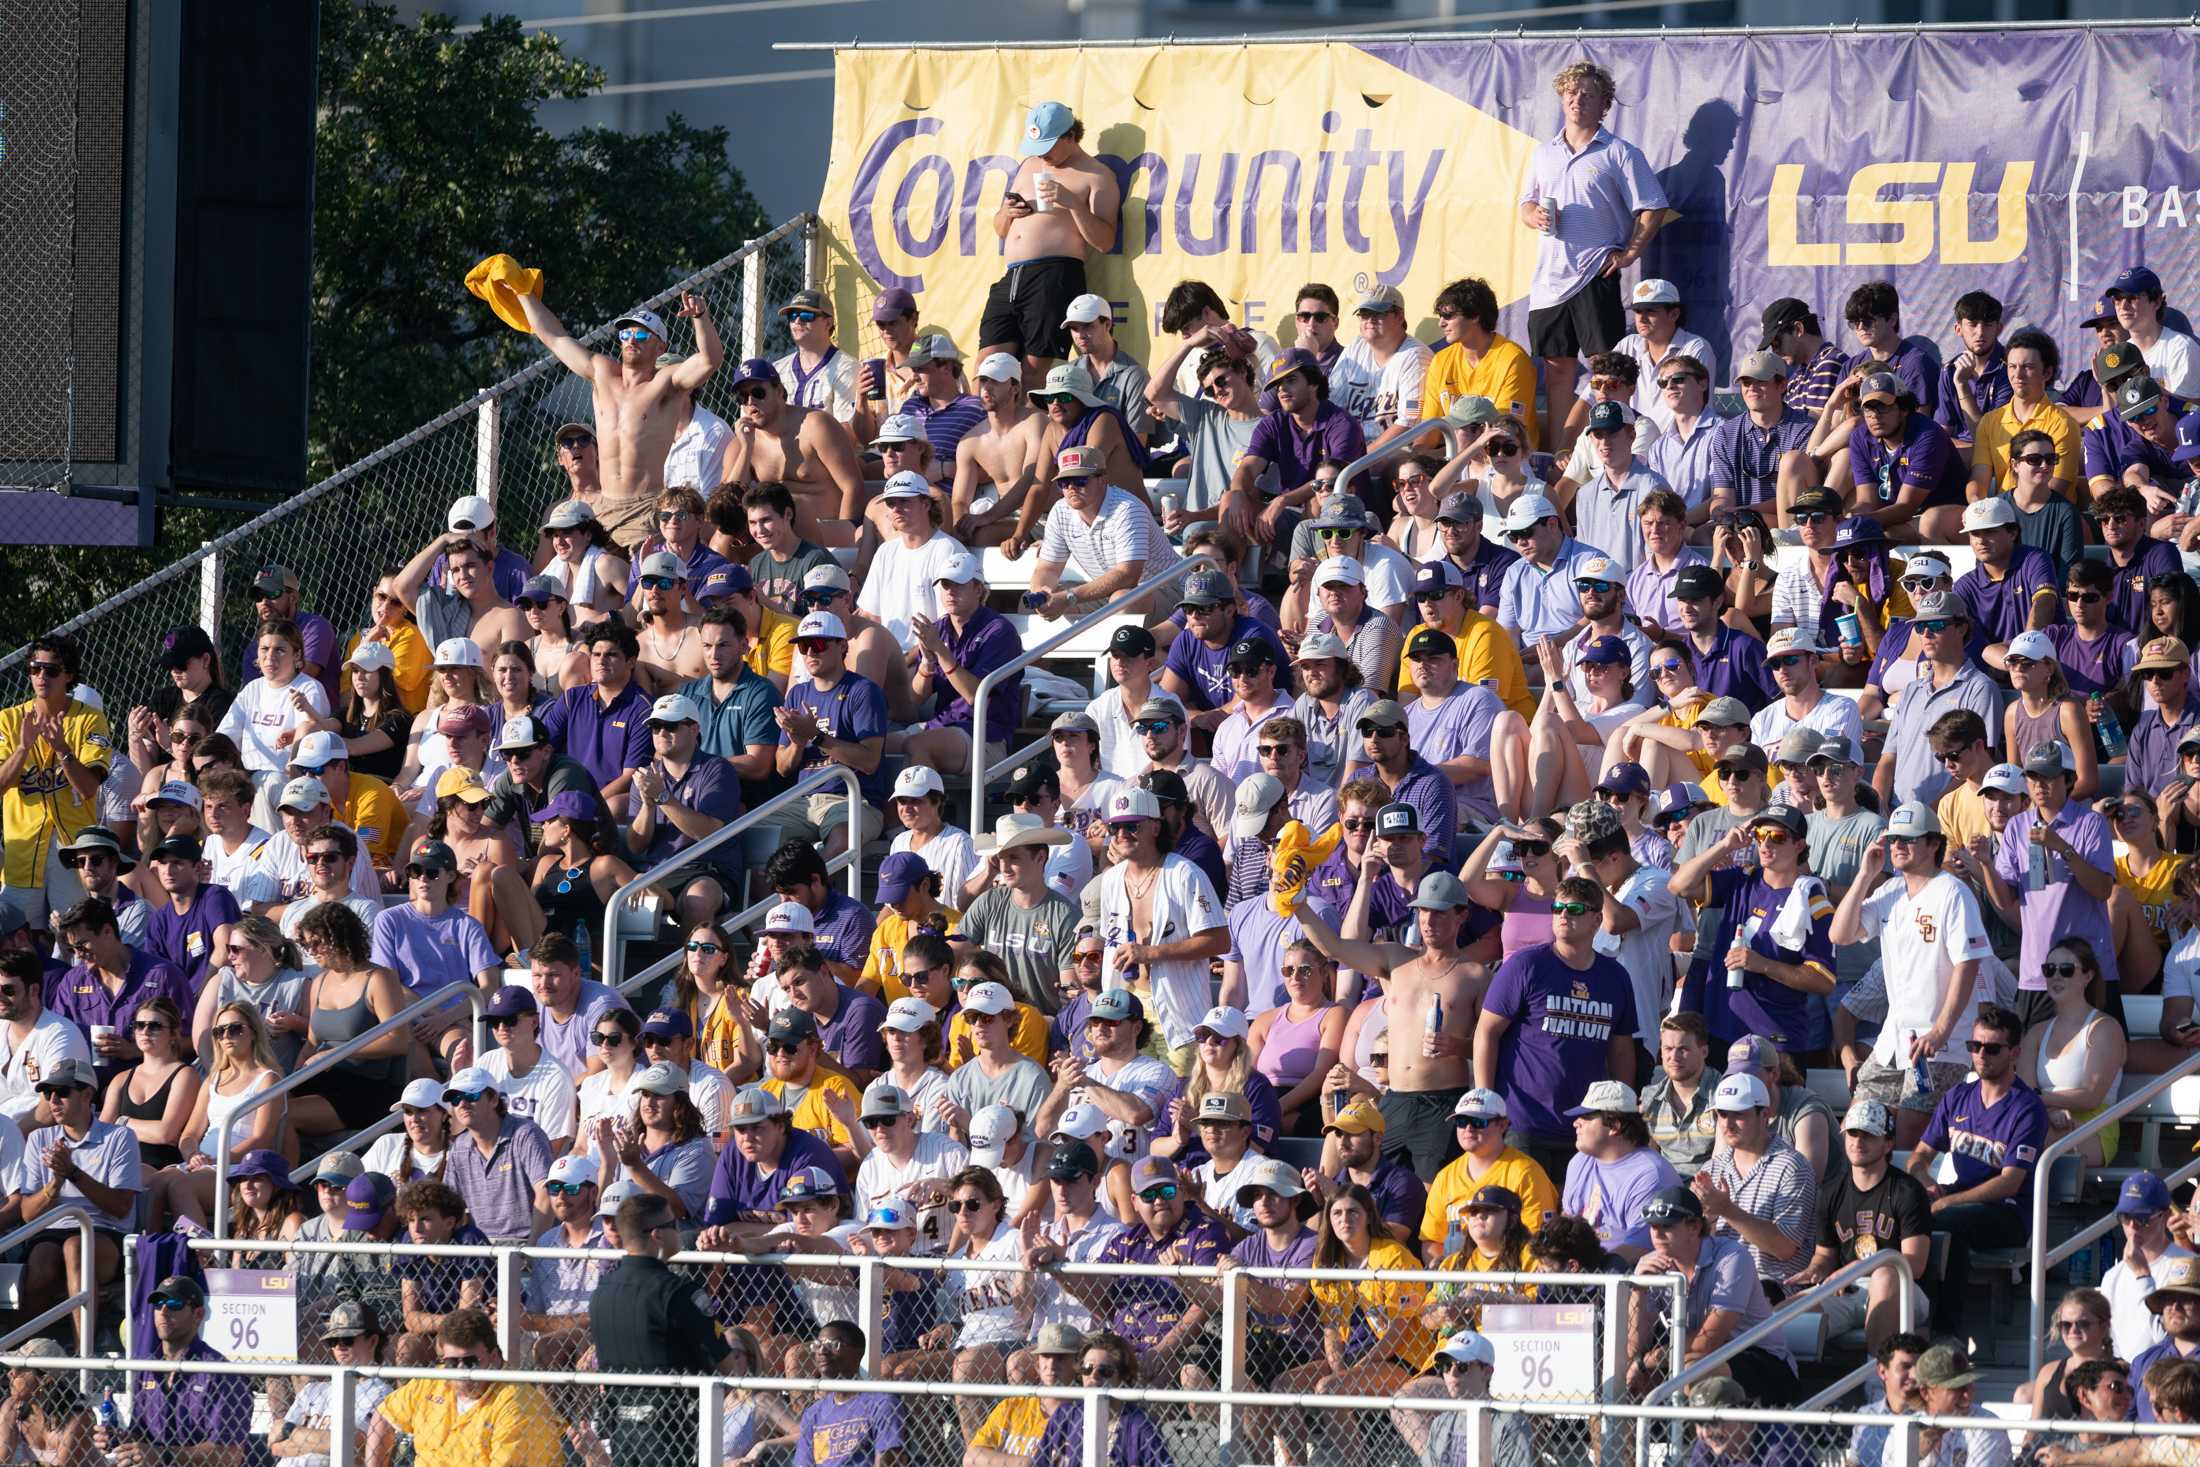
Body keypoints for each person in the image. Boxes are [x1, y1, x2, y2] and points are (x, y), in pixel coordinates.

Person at [1519, 60, 1667, 433]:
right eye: (1571, 92)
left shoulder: (1620, 152)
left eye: (1588, 94)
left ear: (1604, 104)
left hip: (1594, 273)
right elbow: (1526, 205)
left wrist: (1630, 253)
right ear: (1561, 98)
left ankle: (1611, 445)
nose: (1577, 100)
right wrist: (1534, 214)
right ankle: (1559, 457)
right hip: (1548, 281)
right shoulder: (1543, 153)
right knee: (1556, 374)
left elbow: (1653, 206)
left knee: (1606, 371)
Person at [1906, 1003, 2049, 1341]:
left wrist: (1948, 1201)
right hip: (1959, 1202)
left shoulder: (2027, 1108)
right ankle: (1902, 1315)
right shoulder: (1958, 1096)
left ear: (2014, 1052)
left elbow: (2010, 1183)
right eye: (1975, 1046)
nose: (1981, 1054)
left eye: (1992, 1048)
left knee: (1947, 1224)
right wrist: (1925, 1181)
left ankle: (1944, 1332)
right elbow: (1918, 1156)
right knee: (1911, 1214)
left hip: (2008, 1214)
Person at [1668, 803, 1835, 1054]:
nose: (1766, 845)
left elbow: (1824, 980)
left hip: (1775, 1040)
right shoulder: (1742, 879)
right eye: (1760, 836)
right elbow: (1679, 886)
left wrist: (1763, 964)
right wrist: (1724, 845)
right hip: (1720, 1031)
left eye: (1777, 837)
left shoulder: (1812, 901)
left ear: (1799, 846)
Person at [588, 1190, 737, 1466]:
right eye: (673, 1225)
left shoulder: (601, 1293)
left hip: (622, 1431)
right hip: (673, 1433)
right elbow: (727, 1365)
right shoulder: (678, 1293)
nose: (679, 1231)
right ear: (657, 1235)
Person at [981, 101, 1120, 383]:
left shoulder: (1097, 175)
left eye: (1046, 146)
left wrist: (1073, 204)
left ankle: (1029, 425)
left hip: (1054, 275)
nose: (1041, 155)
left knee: (1033, 373)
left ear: (1070, 136)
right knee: (988, 369)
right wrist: (1006, 213)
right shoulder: (1028, 166)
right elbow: (999, 228)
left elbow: (1105, 241)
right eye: (1036, 147)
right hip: (1012, 276)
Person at [1978, 743, 2119, 1017]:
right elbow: (2005, 900)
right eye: (2033, 777)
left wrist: (2062, 848)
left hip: (2086, 970)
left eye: (2048, 776)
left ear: (2069, 780)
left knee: (2099, 1053)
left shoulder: (2091, 823)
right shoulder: (2017, 826)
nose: (2039, 785)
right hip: (2036, 970)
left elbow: (2102, 890)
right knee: (2033, 1056)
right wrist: (1986, 864)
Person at [1624, 1184, 1796, 1404]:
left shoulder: (1732, 1257)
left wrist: (1649, 1360)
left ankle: (1695, 1439)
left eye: (1667, 1225)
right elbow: (1633, 1347)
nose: (1657, 1233)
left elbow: (1708, 1341)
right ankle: (1617, 1439)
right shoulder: (1650, 1263)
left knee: (1690, 1372)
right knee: (1616, 1372)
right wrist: (1639, 1289)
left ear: (1694, 1227)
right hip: (1692, 1358)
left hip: (1763, 1361)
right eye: (1652, 1226)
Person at [0, 635, 112, 935]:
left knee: (74, 938)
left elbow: (89, 787)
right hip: (23, 852)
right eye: (35, 669)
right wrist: (22, 749)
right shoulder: (8, 721)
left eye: (51, 670)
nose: (41, 677)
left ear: (69, 675)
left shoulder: (90, 719)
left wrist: (62, 749)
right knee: (15, 941)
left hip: (73, 851)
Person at [17, 1057, 138, 1318]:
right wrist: (56, 1183)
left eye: (62, 1092)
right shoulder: (39, 1138)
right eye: (48, 1094)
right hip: (52, 1231)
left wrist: (72, 1172)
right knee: (42, 1260)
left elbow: (121, 1206)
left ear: (87, 1094)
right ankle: (26, 1350)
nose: (53, 1101)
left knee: (75, 1247)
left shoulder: (119, 1137)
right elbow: (27, 1214)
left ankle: (85, 1353)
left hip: (106, 1232)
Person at [366, 1307, 563, 1467]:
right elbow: (383, 1415)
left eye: (470, 1362)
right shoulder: (434, 1380)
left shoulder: (518, 1403)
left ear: (494, 1357)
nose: (460, 1371)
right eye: (452, 1362)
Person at [94, 1274, 250, 1466]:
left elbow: (230, 1454)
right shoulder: (148, 1368)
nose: (163, 1310)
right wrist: (120, 1440)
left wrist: (164, 1455)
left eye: (174, 1303)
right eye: (158, 1303)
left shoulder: (219, 1373)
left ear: (198, 1314)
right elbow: (142, 1435)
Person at [1695, 1071, 1817, 1290]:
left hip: (1772, 1289)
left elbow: (1784, 1247)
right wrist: (1708, 1221)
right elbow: (1699, 1250)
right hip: (1718, 1283)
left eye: (1738, 1114)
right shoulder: (1711, 1168)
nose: (1727, 1124)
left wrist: (1726, 1209)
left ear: (1765, 1115)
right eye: (1721, 1114)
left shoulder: (1792, 1166)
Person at [2021, 938, 2129, 1169]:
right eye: (2049, 969)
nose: (2056, 976)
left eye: (2067, 970)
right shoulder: (2037, 1032)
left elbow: (2090, 1096)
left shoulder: (2104, 1028)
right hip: (2042, 1120)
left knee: (2022, 1136)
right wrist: (2049, 1110)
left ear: (2088, 976)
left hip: (2095, 1127)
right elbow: (2025, 1091)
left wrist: (2042, 1102)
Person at [1641, 1012, 1721, 1178]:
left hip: (1709, 1188)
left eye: (1683, 1049)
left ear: (1704, 1052)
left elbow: (1722, 1163)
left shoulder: (1722, 1096)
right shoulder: (1650, 1098)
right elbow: (1649, 1161)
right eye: (1668, 1049)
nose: (1674, 1057)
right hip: (1665, 1189)